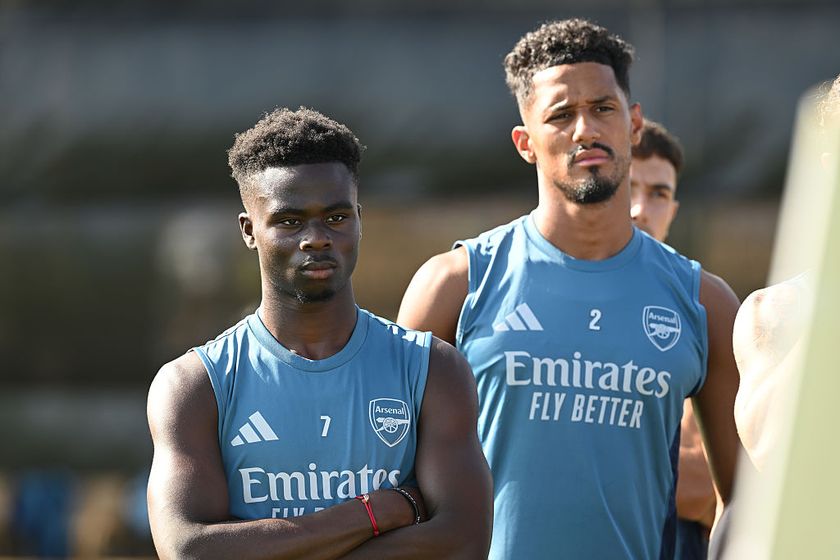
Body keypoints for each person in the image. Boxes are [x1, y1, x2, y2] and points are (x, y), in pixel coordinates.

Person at [398, 19, 742, 559]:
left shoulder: (705, 303)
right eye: (560, 115)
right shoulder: (454, 285)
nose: (585, 129)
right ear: (525, 142)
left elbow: (744, 502)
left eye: (603, 108)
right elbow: (390, 486)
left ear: (633, 124)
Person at [146, 107, 492, 559]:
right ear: (250, 231)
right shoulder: (195, 385)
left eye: (336, 217)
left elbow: (462, 543)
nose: (317, 238)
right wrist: (372, 513)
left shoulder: (432, 368)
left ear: (359, 220)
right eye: (290, 221)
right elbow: (190, 549)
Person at [631, 120, 717, 559]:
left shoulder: (704, 310)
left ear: (674, 210)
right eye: (628, 187)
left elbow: (707, 487)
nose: (640, 209)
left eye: (658, 194)